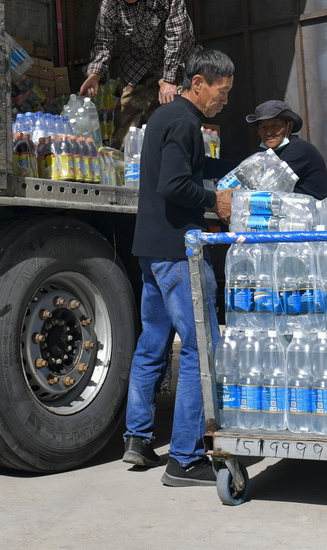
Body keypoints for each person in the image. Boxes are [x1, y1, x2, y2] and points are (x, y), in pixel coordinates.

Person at [123, 47, 234, 487]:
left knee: (152, 342)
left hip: (151, 249)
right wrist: (214, 200)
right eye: (221, 93)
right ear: (199, 82)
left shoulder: (162, 118)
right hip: (176, 250)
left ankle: (138, 438)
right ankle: (185, 459)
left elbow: (174, 175)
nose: (224, 101)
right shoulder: (187, 122)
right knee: (197, 347)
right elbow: (173, 184)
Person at [78, 0, 196, 147]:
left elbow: (177, 33)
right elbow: (103, 41)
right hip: (137, 60)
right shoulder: (111, 1)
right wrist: (95, 74)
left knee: (177, 114)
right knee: (126, 121)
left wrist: (169, 79)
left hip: (175, 57)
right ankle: (125, 166)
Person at [246, 99, 327, 199]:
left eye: (275, 126)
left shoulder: (298, 149)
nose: (269, 132)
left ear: (289, 127)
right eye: (263, 127)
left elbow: (267, 186)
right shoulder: (270, 155)